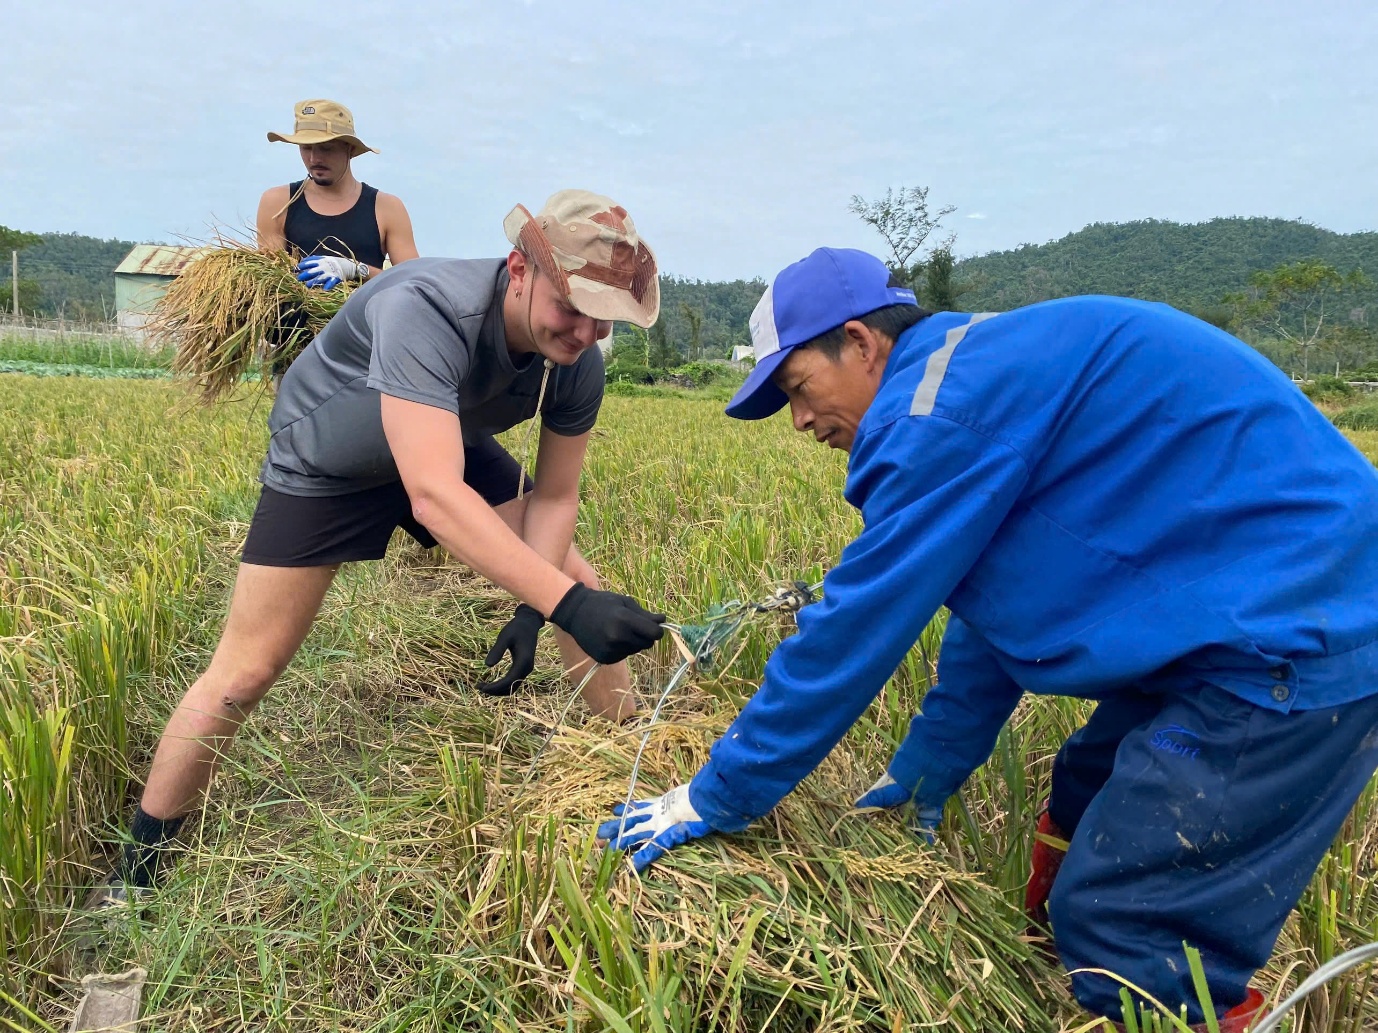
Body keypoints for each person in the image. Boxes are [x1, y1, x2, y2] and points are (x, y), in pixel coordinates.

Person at [598, 247, 1378, 1031]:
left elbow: (853, 629)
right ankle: (1060, 987)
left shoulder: (936, 412)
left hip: (1296, 632)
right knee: (1085, 789)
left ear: (862, 343)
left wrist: (718, 791)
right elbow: (992, 598)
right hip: (1244, 610)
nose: (800, 422)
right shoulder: (976, 371)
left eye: (799, 389)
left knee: (1132, 926)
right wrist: (932, 764)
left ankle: (1126, 981)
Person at [94, 190, 665, 905]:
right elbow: (433, 495)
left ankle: (638, 762)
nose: (584, 331)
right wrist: (564, 603)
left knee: (578, 575)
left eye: (602, 318)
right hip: (328, 459)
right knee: (244, 672)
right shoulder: (428, 306)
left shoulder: (578, 362)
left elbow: (553, 496)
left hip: (439, 439)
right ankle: (137, 871)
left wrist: (536, 605)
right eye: (570, 306)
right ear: (519, 269)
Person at [256, 98, 419, 291]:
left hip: (364, 319)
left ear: (349, 149)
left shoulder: (386, 208)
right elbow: (270, 283)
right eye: (306, 147)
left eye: (326, 148)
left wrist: (357, 270)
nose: (314, 158)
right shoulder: (278, 203)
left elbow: (414, 283)